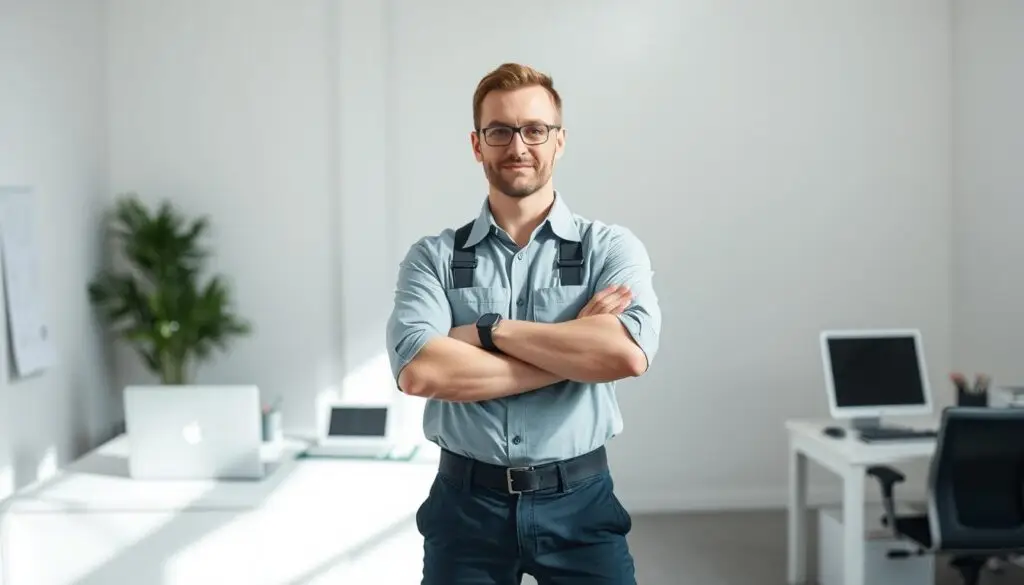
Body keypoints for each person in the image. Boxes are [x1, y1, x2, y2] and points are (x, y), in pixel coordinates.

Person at [385, 62, 661, 585]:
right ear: (477, 144)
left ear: (559, 141)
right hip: (465, 507)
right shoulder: (433, 258)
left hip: (581, 503)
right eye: (500, 131)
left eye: (535, 129)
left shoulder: (610, 248)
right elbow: (421, 373)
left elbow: (624, 356)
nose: (518, 146)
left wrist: (488, 332)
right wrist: (573, 352)